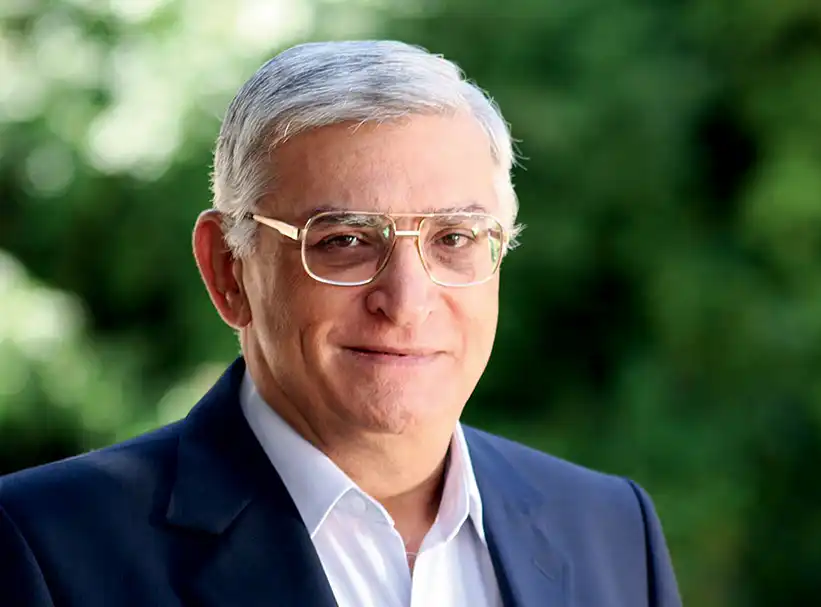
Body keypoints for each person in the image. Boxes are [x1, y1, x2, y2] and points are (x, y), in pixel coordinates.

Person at [0, 40, 681, 607]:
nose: (406, 300)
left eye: (454, 238)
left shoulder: (611, 530)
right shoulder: (44, 548)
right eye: (345, 240)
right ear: (228, 270)